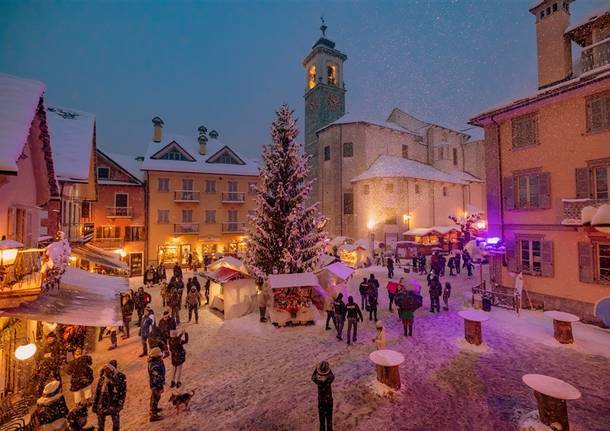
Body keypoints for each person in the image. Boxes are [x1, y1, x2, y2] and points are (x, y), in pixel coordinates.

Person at [92, 360, 127, 431]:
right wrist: (95, 405)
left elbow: (122, 393)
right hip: (102, 404)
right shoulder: (102, 379)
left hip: (113, 404)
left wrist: (120, 404)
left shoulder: (119, 378)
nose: (106, 372)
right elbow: (98, 392)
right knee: (101, 423)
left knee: (114, 422)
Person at [35, 332, 62, 396]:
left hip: (54, 364)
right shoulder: (45, 346)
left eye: (51, 338)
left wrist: (52, 356)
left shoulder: (57, 345)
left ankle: (59, 389)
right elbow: (41, 355)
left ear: (54, 339)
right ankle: (39, 392)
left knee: (57, 377)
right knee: (43, 377)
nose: (49, 340)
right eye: (48, 338)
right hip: (46, 364)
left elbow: (58, 354)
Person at [311, 361, 334, 431]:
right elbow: (332, 376)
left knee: (322, 421)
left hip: (321, 401)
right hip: (329, 400)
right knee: (329, 420)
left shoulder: (318, 381)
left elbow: (313, 377)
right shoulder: (329, 379)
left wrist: (317, 369)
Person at [148, 347, 166, 422]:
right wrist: (160, 384)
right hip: (156, 385)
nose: (161, 357)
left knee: (155, 397)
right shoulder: (154, 366)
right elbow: (156, 377)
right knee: (156, 397)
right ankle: (153, 414)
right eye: (160, 356)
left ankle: (153, 409)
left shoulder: (155, 362)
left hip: (155, 384)